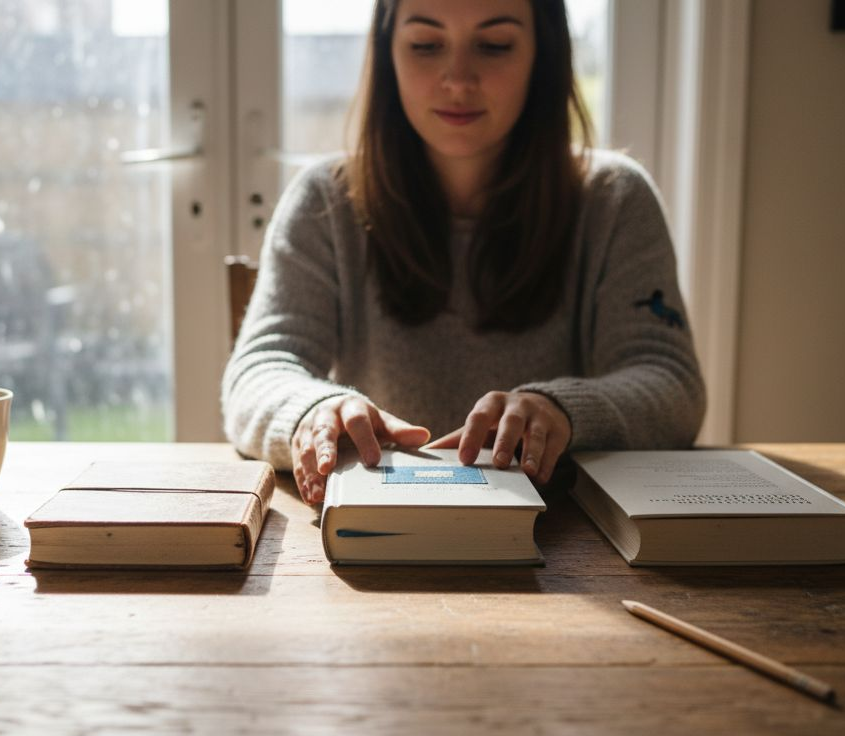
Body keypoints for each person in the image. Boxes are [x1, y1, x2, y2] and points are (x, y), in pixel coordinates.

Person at [221, 0, 705, 506]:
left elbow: (671, 385)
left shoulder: (615, 200)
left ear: (544, 55)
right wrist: (315, 410)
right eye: (426, 45)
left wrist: (562, 410)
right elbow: (259, 372)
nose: (458, 80)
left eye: (494, 45)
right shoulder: (325, 200)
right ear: (388, 54)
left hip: (563, 543)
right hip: (375, 537)